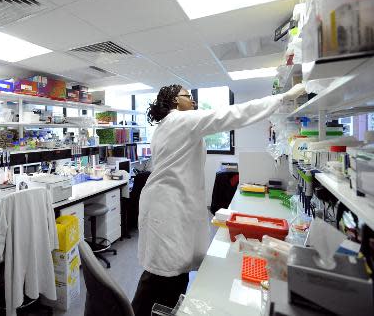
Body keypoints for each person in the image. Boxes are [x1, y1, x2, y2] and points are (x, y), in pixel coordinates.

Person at [131, 83, 306, 315]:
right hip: (167, 206)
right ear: (175, 101)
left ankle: (158, 309)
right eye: (188, 96)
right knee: (164, 275)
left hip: (166, 202)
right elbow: (232, 115)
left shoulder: (167, 126)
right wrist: (283, 98)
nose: (193, 101)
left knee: (169, 272)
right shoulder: (181, 121)